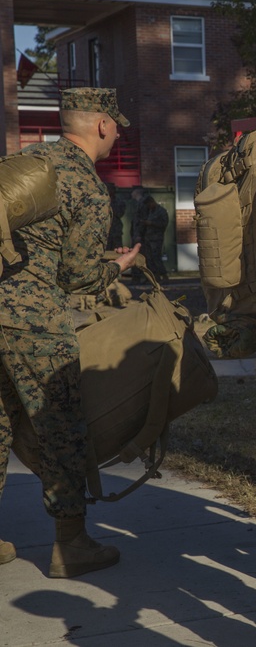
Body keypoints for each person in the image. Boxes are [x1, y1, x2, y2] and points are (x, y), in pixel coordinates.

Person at [0, 87, 140, 575]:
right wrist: (117, 268)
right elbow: (77, 276)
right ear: (101, 124)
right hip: (34, 318)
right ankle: (71, 544)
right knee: (59, 427)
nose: (118, 133)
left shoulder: (29, 161)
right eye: (116, 124)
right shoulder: (84, 182)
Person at [135, 189, 169, 282]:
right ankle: (155, 277)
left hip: (156, 239)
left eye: (149, 204)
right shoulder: (149, 211)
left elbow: (163, 224)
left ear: (152, 202)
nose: (149, 207)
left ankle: (164, 275)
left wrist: (151, 223)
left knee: (156, 257)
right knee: (149, 259)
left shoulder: (161, 211)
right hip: (148, 238)